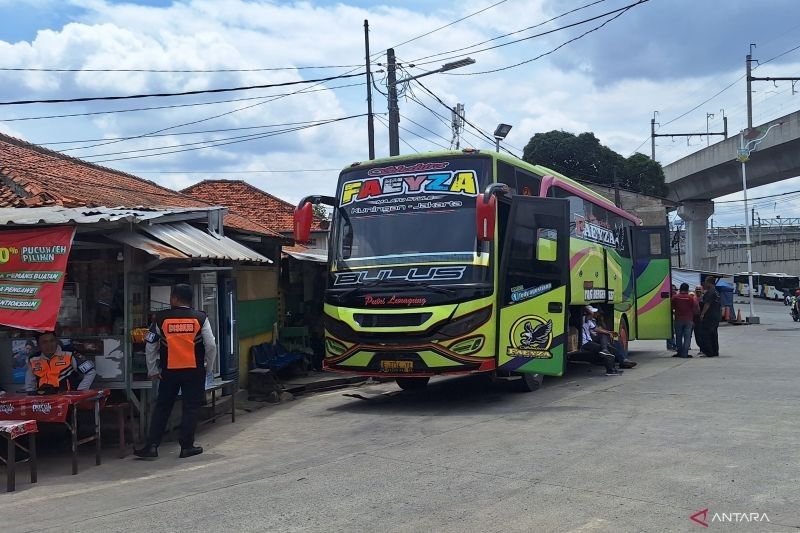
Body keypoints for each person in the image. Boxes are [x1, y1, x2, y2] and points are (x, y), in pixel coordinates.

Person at [135, 284, 217, 459]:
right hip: (194, 371)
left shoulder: (161, 318)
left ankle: (152, 446)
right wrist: (208, 367)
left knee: (162, 407)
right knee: (191, 408)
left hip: (169, 372)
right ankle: (186, 447)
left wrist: (152, 369)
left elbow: (150, 346)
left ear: (175, 298)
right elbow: (211, 345)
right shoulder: (200, 317)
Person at [25, 331, 96, 393]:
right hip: (43, 400)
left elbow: (90, 371)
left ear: (57, 341)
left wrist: (80, 392)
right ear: (38, 345)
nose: (49, 345)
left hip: (67, 400)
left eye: (52, 341)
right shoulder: (33, 359)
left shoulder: (69, 353)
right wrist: (32, 396)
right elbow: (29, 384)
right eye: (44, 342)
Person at [581, 306, 621, 376]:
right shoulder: (583, 319)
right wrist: (588, 311)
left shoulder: (589, 321)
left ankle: (613, 369)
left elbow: (597, 329)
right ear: (587, 313)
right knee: (607, 352)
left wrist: (609, 332)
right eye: (593, 313)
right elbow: (587, 312)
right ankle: (610, 371)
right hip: (584, 343)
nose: (594, 314)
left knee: (609, 348)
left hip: (589, 341)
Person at [671, 283, 699, 358]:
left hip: (678, 319)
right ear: (687, 289)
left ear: (680, 288)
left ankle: (679, 353)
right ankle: (685, 354)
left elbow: (671, 306)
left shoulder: (675, 297)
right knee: (687, 337)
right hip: (689, 320)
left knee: (678, 336)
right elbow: (695, 307)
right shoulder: (690, 298)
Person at [699, 277, 721, 357]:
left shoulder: (710, 292)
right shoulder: (716, 292)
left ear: (709, 283)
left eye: (706, 282)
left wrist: (702, 314)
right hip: (716, 316)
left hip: (709, 316)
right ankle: (715, 351)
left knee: (706, 334)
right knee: (714, 335)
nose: (705, 284)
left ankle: (709, 352)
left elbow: (707, 304)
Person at [693, 285, 706, 355]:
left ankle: (703, 349)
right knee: (697, 336)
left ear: (702, 290)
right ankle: (701, 348)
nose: (698, 290)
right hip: (695, 319)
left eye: (699, 289)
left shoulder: (704, 298)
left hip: (702, 319)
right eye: (697, 289)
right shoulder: (693, 298)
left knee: (702, 335)